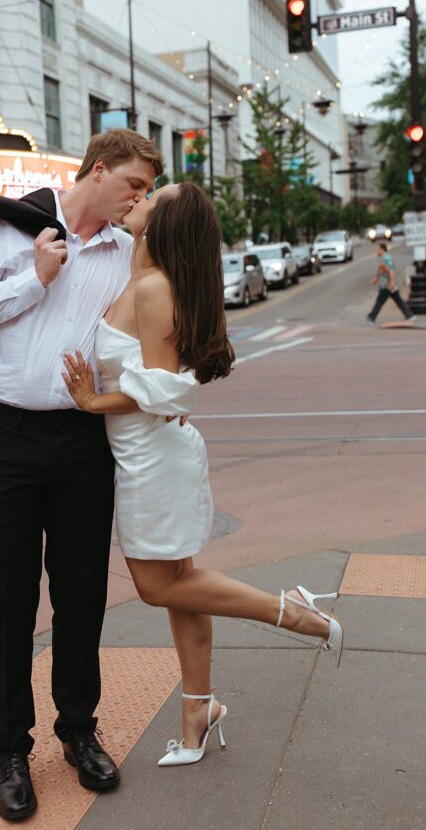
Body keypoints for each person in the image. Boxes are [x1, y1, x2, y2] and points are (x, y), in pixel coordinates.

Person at [63, 182, 343, 769]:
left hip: (152, 459)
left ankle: (288, 610)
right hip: (147, 453)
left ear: (163, 223)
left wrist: (93, 402)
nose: (138, 196)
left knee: (158, 586)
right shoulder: (138, 275)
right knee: (181, 584)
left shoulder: (155, 286)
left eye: (150, 196)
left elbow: (164, 392)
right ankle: (198, 711)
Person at [0, 129, 163, 821]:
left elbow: (143, 336)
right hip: (6, 439)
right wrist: (31, 278)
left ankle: (77, 730)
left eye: (146, 191)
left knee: (81, 594)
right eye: (132, 184)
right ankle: (10, 750)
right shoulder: (8, 231)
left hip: (82, 441)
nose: (138, 198)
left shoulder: (125, 255)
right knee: (7, 603)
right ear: (97, 171)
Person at [365, 242, 415, 324]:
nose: (376, 252)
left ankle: (371, 317)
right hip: (388, 284)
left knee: (380, 301)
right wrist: (376, 279)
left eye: (377, 250)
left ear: (382, 249)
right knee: (398, 300)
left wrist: (391, 282)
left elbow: (391, 271)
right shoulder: (383, 258)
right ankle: (409, 315)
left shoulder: (386, 258)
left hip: (387, 285)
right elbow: (382, 271)